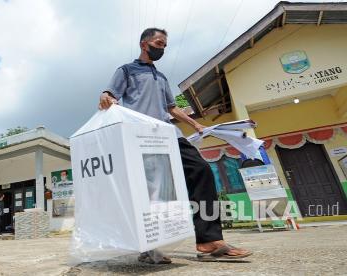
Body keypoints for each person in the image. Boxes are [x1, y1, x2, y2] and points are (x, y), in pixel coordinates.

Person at [99, 28, 252, 263]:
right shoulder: (127, 70)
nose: (162, 48)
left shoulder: (161, 77)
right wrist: (105, 96)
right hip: (142, 137)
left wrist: (195, 124)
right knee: (156, 191)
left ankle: (208, 241)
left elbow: (171, 107)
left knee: (201, 171)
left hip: (170, 134)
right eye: (159, 43)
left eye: (164, 45)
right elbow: (110, 95)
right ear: (144, 44)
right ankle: (151, 247)